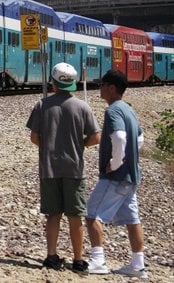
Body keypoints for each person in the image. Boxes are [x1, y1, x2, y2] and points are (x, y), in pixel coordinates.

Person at [26, 62, 101, 273]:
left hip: (49, 168)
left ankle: (51, 256)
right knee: (75, 215)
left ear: (53, 81)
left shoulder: (42, 105)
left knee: (53, 214)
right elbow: (95, 137)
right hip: (74, 169)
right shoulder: (82, 107)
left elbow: (34, 137)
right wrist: (80, 146)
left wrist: (49, 146)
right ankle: (78, 260)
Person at [86, 69, 147, 278]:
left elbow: (120, 138)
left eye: (102, 84)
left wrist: (115, 163)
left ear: (111, 88)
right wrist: (130, 159)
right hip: (132, 177)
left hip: (115, 177)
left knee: (92, 214)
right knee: (132, 220)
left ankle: (98, 261)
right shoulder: (129, 110)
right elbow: (140, 139)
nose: (100, 88)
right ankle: (138, 266)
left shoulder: (113, 111)